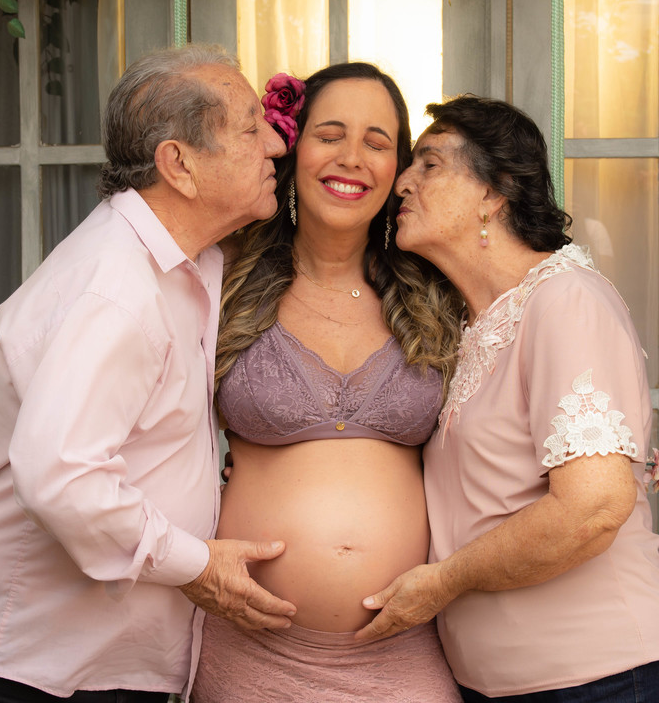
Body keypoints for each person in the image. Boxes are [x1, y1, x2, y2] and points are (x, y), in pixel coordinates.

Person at [0, 44, 299, 703]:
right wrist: (198, 566)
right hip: (37, 672)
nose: (274, 143)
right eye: (249, 128)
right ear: (179, 164)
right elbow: (60, 475)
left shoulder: (187, 264)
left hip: (88, 660)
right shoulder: (117, 289)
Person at [356, 95, 659, 701]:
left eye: (429, 164)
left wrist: (442, 583)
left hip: (602, 677)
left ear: (494, 193)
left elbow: (592, 507)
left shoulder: (565, 300)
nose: (402, 182)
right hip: (502, 683)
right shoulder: (470, 323)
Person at [190, 63, 464, 702]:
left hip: (404, 652)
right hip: (249, 651)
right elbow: (137, 415)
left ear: (398, 168)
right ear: (292, 148)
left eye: (377, 142)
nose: (352, 159)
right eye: (330, 135)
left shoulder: (437, 291)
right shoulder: (222, 277)